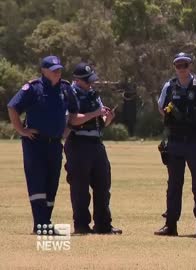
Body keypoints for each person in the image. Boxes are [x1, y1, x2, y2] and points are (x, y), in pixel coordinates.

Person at [7, 55, 83, 232]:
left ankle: (45, 223)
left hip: (55, 145)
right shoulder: (33, 88)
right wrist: (22, 130)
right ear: (44, 70)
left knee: (51, 184)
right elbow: (12, 107)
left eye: (59, 69)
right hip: (35, 144)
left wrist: (66, 130)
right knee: (37, 183)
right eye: (53, 70)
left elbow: (73, 112)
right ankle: (41, 224)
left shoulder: (65, 88)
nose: (57, 72)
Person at [155, 52, 196, 237]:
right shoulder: (169, 86)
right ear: (174, 67)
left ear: (190, 66)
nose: (181, 68)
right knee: (174, 185)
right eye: (178, 65)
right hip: (174, 142)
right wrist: (171, 120)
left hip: (195, 142)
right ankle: (171, 225)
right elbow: (160, 106)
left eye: (185, 65)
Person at [64, 62, 122, 235]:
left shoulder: (93, 94)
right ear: (77, 80)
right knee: (80, 188)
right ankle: (81, 226)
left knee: (103, 185)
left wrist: (108, 118)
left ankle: (103, 225)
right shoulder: (70, 94)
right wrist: (95, 113)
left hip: (96, 144)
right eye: (87, 81)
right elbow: (72, 120)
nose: (91, 84)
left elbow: (100, 123)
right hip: (78, 144)